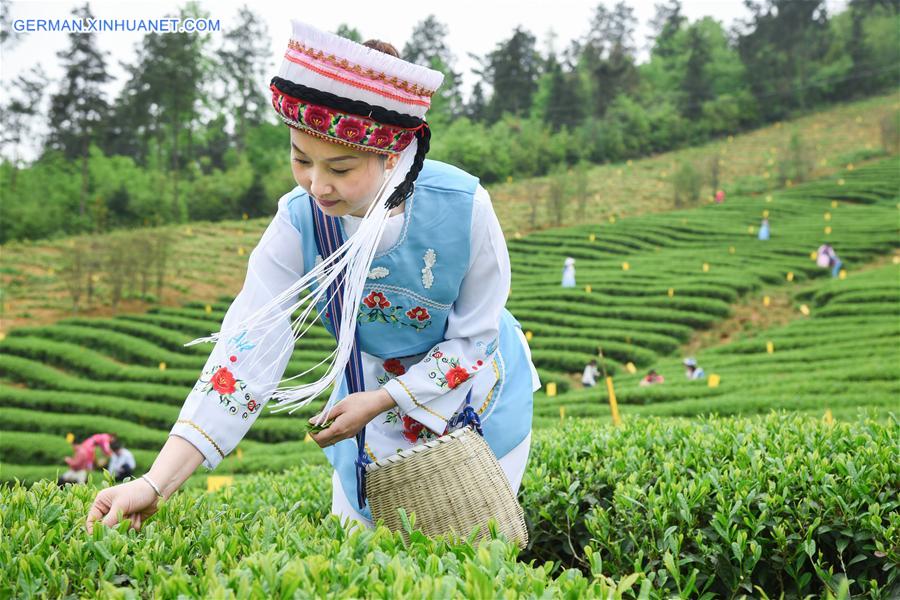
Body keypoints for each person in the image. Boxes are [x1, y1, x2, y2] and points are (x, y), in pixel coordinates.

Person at [86, 21, 540, 533]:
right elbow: (246, 350)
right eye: (301, 160)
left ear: (392, 154)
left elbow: (476, 334)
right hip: (367, 408)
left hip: (471, 398)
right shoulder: (299, 221)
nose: (317, 185)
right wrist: (156, 482)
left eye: (341, 168)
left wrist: (386, 399)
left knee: (477, 555)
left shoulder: (463, 206)